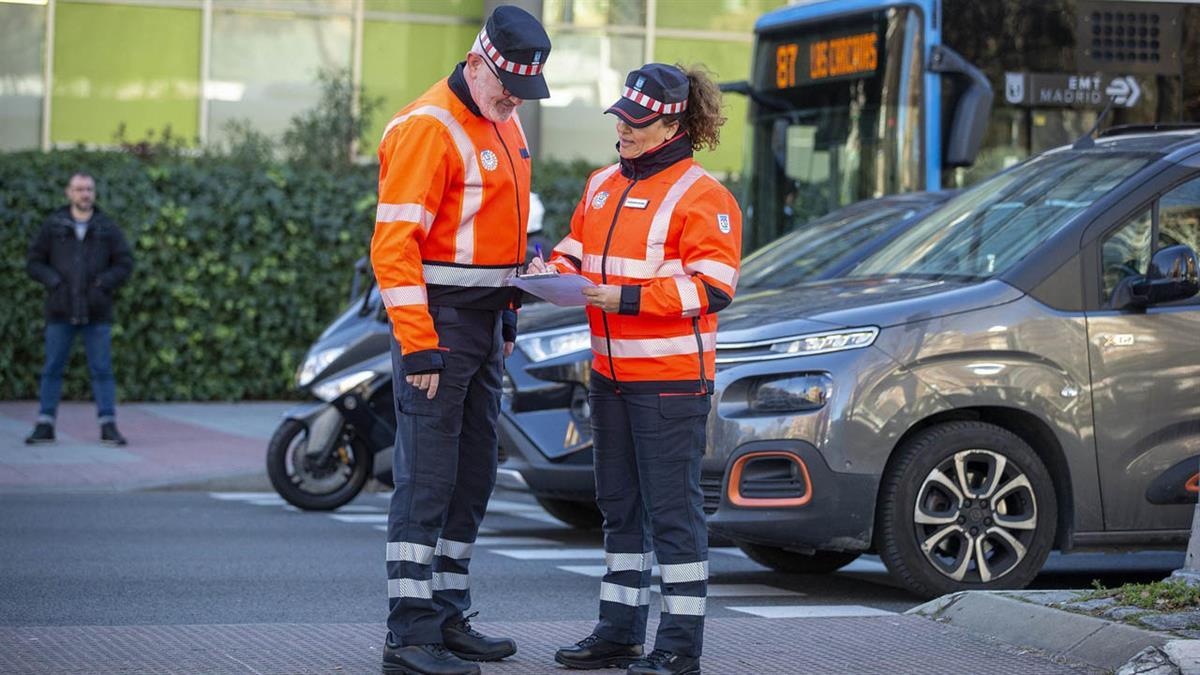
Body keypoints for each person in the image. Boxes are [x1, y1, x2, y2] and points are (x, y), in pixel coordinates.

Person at [533, 63, 742, 675]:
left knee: (674, 512)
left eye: (636, 121)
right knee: (619, 505)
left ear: (671, 122)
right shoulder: (602, 183)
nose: (622, 129)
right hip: (610, 375)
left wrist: (620, 298)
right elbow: (576, 247)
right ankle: (619, 632)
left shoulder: (705, 195)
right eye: (621, 117)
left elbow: (714, 287)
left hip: (670, 381)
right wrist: (552, 270)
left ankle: (679, 647)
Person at [369, 6, 551, 675]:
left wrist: (508, 310)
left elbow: (496, 233)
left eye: (521, 93)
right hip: (439, 325)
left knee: (472, 474)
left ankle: (446, 613)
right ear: (476, 63)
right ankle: (409, 633)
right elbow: (395, 247)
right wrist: (417, 343)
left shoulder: (499, 115)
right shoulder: (428, 126)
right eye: (505, 87)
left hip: (481, 321)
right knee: (427, 478)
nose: (513, 102)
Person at [25, 172, 133, 447]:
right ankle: (45, 425)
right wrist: (54, 282)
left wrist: (103, 284)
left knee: (102, 370)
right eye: (79, 189)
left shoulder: (106, 227)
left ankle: (108, 425)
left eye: (89, 189)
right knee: (52, 368)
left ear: (94, 193)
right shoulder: (54, 225)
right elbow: (35, 262)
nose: (85, 194)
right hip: (60, 311)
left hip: (96, 312)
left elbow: (124, 263)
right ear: (68, 193)